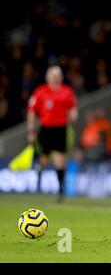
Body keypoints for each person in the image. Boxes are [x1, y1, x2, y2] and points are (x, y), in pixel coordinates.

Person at [27, 65, 78, 202]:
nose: (55, 78)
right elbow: (31, 112)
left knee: (60, 159)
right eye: (52, 75)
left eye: (57, 75)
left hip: (61, 129)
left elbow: (73, 109)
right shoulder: (40, 92)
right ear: (47, 77)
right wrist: (31, 131)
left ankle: (61, 189)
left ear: (61, 77)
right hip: (46, 129)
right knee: (44, 159)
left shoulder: (67, 92)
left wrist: (73, 116)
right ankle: (39, 170)